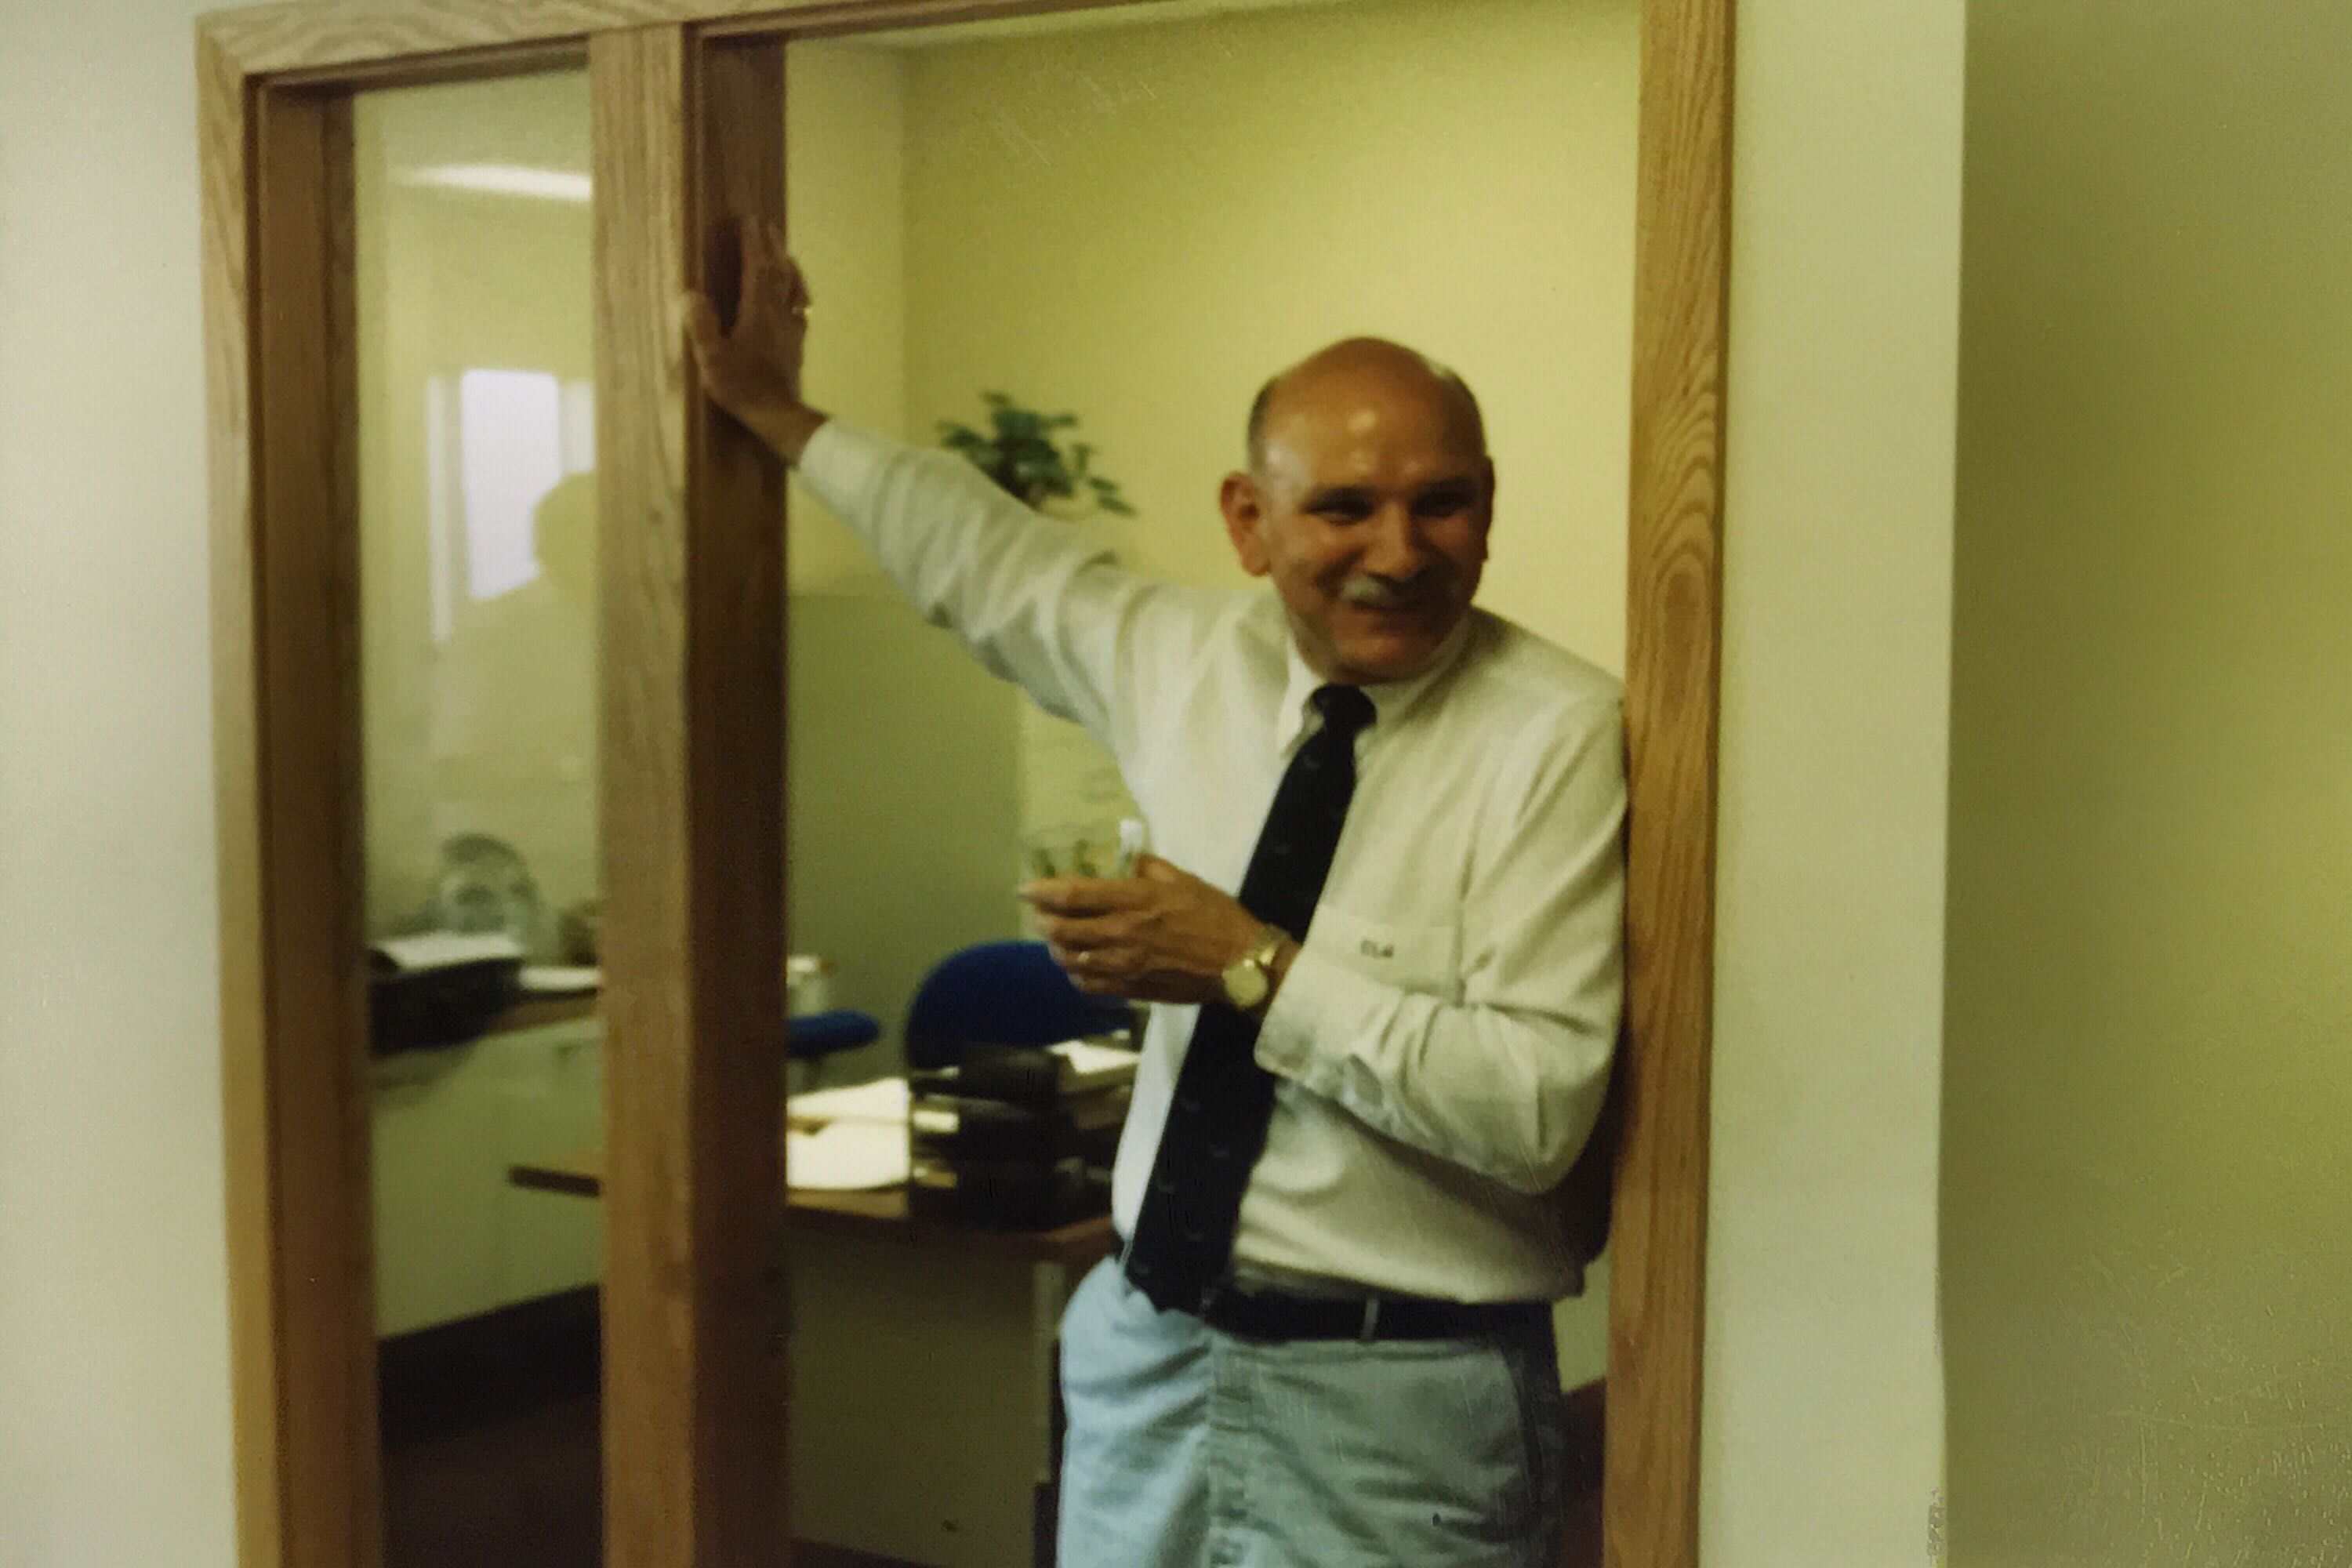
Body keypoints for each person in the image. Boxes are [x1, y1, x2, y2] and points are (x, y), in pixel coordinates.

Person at [683, 220, 1624, 1568]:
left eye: (1444, 502)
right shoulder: (1178, 659)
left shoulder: (1559, 736)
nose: (1402, 550)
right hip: (1149, 1357)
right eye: (1344, 508)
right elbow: (979, 553)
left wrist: (1251, 967)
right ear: (1249, 522)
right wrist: (779, 415)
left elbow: (1535, 1112)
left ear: (1490, 502)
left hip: (1399, 1402)